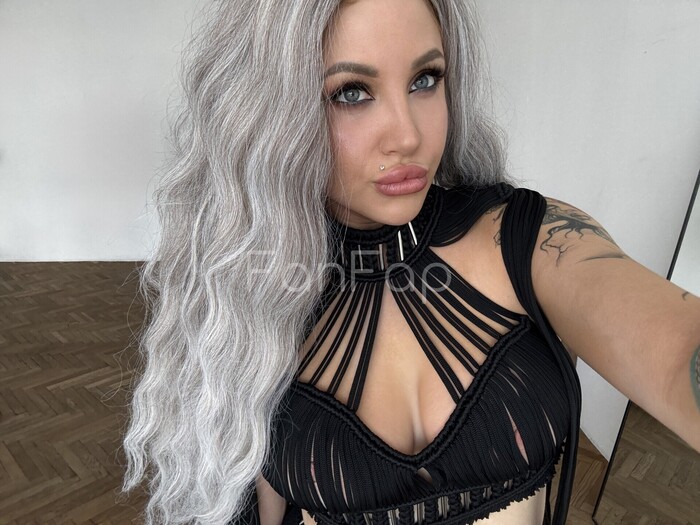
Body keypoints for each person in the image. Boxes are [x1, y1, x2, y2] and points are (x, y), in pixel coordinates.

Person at [120, 0, 700, 524]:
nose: (408, 134)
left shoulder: (528, 240)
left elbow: (677, 355)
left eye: (425, 79)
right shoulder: (252, 298)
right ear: (266, 114)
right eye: (352, 92)